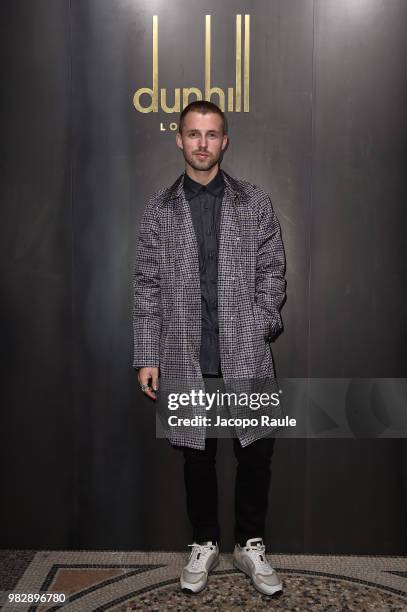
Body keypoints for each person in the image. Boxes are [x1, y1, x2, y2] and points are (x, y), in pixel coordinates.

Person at [132, 100, 286, 596]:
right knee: (195, 457)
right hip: (183, 353)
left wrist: (258, 324)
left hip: (246, 353)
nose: (202, 143)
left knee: (256, 455)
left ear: (225, 141)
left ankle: (249, 544)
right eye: (193, 134)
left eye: (212, 134)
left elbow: (274, 274)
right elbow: (146, 285)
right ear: (179, 139)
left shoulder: (254, 203)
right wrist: (147, 355)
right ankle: (203, 542)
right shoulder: (158, 211)